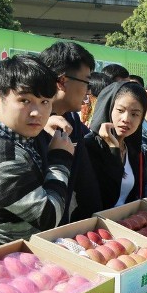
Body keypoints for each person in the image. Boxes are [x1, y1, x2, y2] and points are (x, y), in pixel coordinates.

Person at [0, 55, 74, 254]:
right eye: (25, 101)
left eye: (45, 102)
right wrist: (60, 158)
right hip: (1, 267)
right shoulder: (2, 159)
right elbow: (48, 217)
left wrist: (38, 122)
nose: (37, 112)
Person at [37, 42, 102, 223]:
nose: (88, 91)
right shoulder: (24, 125)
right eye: (87, 82)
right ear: (62, 81)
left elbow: (86, 185)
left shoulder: (72, 120)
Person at [86, 82, 147, 208]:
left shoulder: (132, 150)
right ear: (109, 108)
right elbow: (108, 197)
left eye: (135, 114)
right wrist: (113, 150)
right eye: (120, 110)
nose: (126, 119)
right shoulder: (89, 146)